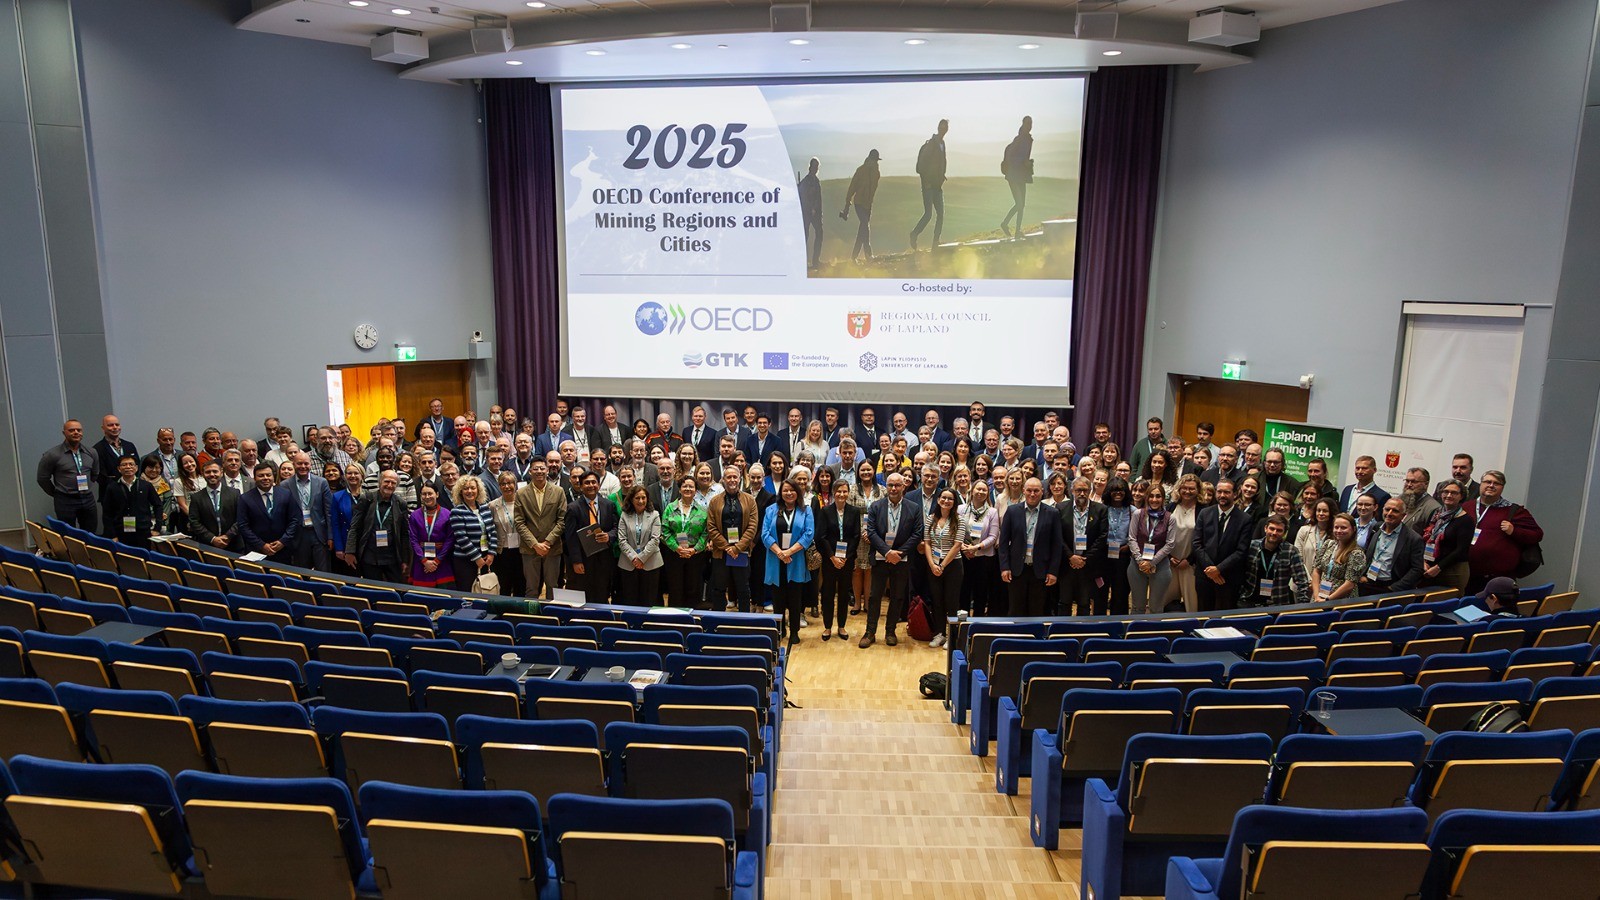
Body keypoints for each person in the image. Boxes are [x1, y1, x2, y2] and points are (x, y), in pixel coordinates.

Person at [862, 472, 921, 647]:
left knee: (897, 597)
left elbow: (917, 534)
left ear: (904, 486)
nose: (894, 488)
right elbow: (871, 531)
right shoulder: (875, 506)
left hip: (901, 560)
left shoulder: (914, 508)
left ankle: (890, 631)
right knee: (874, 597)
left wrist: (899, 554)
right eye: (890, 485)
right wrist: (888, 552)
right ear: (885, 487)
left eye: (897, 485)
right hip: (881, 558)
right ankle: (870, 632)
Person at [1466, 469, 1543, 592]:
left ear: (1502, 487)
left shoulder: (1514, 511)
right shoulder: (1466, 507)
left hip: (1499, 579)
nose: (1491, 485)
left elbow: (1537, 534)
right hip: (1467, 575)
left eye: (1496, 483)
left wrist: (1514, 531)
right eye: (1487, 482)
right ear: (1481, 484)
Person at [998, 476, 1062, 617]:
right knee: (1015, 610)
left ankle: (1035, 639)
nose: (1032, 494)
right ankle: (1015, 637)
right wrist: (1005, 567)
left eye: (1036, 491)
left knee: (1037, 611)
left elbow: (1057, 546)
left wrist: (1053, 571)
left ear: (1042, 492)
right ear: (1023, 491)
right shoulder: (1012, 511)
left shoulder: (1052, 513)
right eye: (1029, 491)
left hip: (1041, 570)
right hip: (1016, 570)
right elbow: (1003, 543)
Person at [762, 478, 814, 643]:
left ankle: (794, 632)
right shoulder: (771, 510)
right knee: (777, 599)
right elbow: (765, 534)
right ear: (781, 492)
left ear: (797, 492)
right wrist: (779, 552)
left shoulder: (806, 510)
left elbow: (809, 534)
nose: (789, 493)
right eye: (785, 490)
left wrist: (789, 552)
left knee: (795, 598)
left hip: (795, 559)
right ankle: (780, 630)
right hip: (776, 559)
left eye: (792, 490)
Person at [1192, 479, 1253, 612]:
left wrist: (1219, 569)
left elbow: (1241, 551)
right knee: (1203, 615)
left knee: (1224, 619)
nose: (1222, 495)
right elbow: (1197, 543)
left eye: (1227, 492)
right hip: (1205, 576)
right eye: (1219, 492)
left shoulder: (1245, 519)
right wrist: (1211, 570)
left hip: (1228, 578)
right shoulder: (1205, 513)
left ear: (1235, 494)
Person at [564, 467, 620, 603]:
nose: (591, 486)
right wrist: (576, 561)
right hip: (583, 559)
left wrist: (609, 536)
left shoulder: (608, 505)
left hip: (603, 558)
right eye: (587, 483)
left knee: (602, 593)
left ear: (599, 485)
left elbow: (616, 528)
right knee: (583, 594)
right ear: (581, 486)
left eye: (594, 482)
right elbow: (570, 538)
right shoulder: (573, 508)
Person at [514, 458, 567, 600]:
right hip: (530, 548)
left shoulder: (558, 491)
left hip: (552, 548)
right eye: (535, 469)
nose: (539, 471)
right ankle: (532, 618)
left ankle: (551, 617)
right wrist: (535, 544)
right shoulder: (521, 493)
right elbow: (519, 522)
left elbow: (561, 521)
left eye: (542, 468)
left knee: (553, 586)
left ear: (547, 470)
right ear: (530, 471)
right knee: (531, 588)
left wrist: (547, 542)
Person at [707, 466, 757, 612]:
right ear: (723, 480)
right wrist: (727, 547)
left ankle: (744, 623)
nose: (732, 480)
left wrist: (736, 548)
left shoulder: (750, 500)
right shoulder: (715, 501)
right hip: (720, 552)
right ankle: (717, 622)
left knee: (743, 589)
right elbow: (711, 527)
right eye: (728, 477)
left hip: (740, 551)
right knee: (719, 588)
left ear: (740, 478)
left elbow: (752, 527)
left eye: (735, 477)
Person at [346, 469, 411, 583]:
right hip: (369, 556)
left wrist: (405, 560)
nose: (389, 485)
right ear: (380, 482)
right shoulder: (366, 499)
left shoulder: (401, 504)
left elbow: (404, 534)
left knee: (395, 590)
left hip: (392, 558)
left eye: (393, 483)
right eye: (386, 481)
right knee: (372, 590)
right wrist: (350, 551)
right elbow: (354, 527)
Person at [922, 487, 967, 647]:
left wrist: (941, 566)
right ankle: (939, 634)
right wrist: (932, 565)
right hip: (933, 563)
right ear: (939, 499)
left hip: (952, 565)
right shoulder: (931, 518)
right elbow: (927, 542)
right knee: (937, 600)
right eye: (944, 498)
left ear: (954, 502)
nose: (946, 501)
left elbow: (957, 546)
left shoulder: (960, 520)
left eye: (950, 499)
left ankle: (952, 637)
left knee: (952, 601)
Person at [37, 419, 100, 531]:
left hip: (87, 498)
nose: (76, 432)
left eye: (79, 430)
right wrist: (57, 493)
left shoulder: (91, 452)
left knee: (90, 531)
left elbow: (95, 474)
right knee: (68, 534)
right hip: (65, 499)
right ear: (64, 433)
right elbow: (42, 478)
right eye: (71, 430)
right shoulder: (52, 454)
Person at [816, 479, 859, 641]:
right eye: (839, 491)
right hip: (830, 560)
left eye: (844, 491)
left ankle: (841, 626)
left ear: (848, 493)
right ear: (834, 493)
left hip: (846, 560)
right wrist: (832, 557)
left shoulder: (854, 512)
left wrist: (847, 557)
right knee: (827, 594)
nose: (842, 494)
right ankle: (827, 626)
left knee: (843, 594)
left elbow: (856, 536)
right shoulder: (825, 511)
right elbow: (821, 536)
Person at [1239, 514, 1312, 607]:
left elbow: (1302, 581)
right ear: (1265, 528)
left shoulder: (1291, 551)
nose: (1274, 533)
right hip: (1249, 601)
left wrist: (1303, 605)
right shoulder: (1251, 546)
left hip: (1277, 604)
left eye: (1279, 530)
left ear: (1285, 533)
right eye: (1272, 528)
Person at [1058, 476, 1106, 616]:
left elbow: (1102, 537)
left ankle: (1082, 633)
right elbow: (1058, 536)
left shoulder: (1100, 509)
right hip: (1067, 564)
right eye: (1079, 490)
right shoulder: (1061, 508)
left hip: (1088, 564)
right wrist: (1070, 556)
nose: (1082, 494)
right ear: (1072, 490)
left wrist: (1084, 559)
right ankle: (1062, 634)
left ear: (1090, 491)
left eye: (1085, 490)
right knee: (1064, 602)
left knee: (1084, 602)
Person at [1126, 481, 1175, 614]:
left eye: (1158, 496)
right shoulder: (1138, 514)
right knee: (1137, 606)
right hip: (1137, 564)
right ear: (1146, 498)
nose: (1154, 499)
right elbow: (1132, 538)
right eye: (1151, 496)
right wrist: (1140, 561)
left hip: (1160, 565)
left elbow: (1170, 544)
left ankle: (1154, 633)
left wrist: (1152, 562)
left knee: (1156, 607)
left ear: (1163, 499)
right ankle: (1134, 634)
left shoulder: (1170, 518)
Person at [1360, 497, 1425, 596]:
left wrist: (1393, 588)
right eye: (1387, 509)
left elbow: (1417, 569)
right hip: (1368, 583)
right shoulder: (1376, 528)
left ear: (1403, 515)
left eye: (1395, 511)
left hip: (1390, 587)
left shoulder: (1413, 539)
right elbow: (1367, 553)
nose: (1389, 514)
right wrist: (1363, 575)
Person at [237, 461, 300, 562]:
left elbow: (295, 519)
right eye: (261, 475)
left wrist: (283, 541)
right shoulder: (245, 498)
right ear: (254, 478)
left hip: (284, 550)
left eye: (268, 475)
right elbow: (243, 526)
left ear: (273, 476)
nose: (265, 478)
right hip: (257, 552)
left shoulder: (286, 494)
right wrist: (261, 545)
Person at [662, 476, 709, 608]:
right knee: (675, 587)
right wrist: (677, 548)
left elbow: (706, 533)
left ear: (695, 491)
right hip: (674, 553)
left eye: (691, 486)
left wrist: (694, 550)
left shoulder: (702, 510)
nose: (688, 489)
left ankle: (692, 618)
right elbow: (664, 530)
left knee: (693, 587)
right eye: (685, 486)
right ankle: (675, 617)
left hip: (695, 554)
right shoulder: (670, 508)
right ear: (680, 489)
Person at [614, 484, 663, 605]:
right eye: (637, 498)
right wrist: (634, 558)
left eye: (643, 497)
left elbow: (655, 539)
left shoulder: (655, 515)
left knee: (649, 599)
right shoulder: (624, 515)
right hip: (628, 563)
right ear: (631, 499)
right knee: (630, 599)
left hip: (651, 562)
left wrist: (641, 558)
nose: (641, 501)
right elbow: (622, 540)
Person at [1422, 480, 1473, 590]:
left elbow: (1461, 550)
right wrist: (1423, 561)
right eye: (1446, 491)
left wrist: (1438, 567)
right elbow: (1426, 537)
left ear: (1462, 496)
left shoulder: (1466, 520)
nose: (1449, 495)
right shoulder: (1436, 514)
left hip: (1453, 572)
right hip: (1429, 567)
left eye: (1454, 493)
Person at [959, 479, 1000, 616]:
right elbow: (955, 531)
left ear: (988, 493)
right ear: (972, 491)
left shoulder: (992, 512)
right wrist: (965, 548)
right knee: (963, 592)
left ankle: (977, 624)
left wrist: (976, 548)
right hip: (964, 556)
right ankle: (961, 627)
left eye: (984, 490)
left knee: (980, 594)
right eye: (978, 489)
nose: (981, 492)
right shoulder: (961, 509)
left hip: (983, 558)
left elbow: (993, 537)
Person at [286, 452, 332, 571]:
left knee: (323, 572)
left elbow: (328, 511)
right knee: (302, 571)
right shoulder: (285, 485)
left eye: (306, 463)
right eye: (299, 463)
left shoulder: (322, 482)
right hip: (298, 534)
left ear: (311, 464)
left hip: (319, 533)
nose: (303, 466)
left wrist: (330, 536)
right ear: (293, 464)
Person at [100, 454, 159, 548]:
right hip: (121, 531)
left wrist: (157, 528)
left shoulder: (146, 486)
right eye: (124, 464)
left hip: (143, 531)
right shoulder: (112, 487)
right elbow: (107, 513)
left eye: (131, 464)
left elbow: (158, 505)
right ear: (119, 469)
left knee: (143, 558)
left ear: (136, 468)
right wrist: (112, 535)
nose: (128, 467)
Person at [909, 118, 948, 251]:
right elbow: (922, 166)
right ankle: (914, 234)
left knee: (940, 214)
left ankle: (935, 243)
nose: (944, 130)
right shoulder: (932, 144)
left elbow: (940, 163)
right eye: (942, 127)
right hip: (929, 185)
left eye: (945, 128)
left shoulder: (942, 143)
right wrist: (926, 182)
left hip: (937, 185)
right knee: (929, 214)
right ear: (938, 128)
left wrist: (941, 176)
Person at [1164, 475, 1201, 613]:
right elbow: (1162, 534)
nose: (1187, 491)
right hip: (1170, 562)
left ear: (1198, 490)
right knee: (1166, 602)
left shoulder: (1203, 510)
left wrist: (1189, 560)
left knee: (1192, 605)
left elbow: (1204, 540)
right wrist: (1169, 557)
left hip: (1190, 564)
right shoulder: (1171, 507)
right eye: (1184, 488)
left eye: (1191, 488)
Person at [1097, 478, 1133, 616]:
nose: (1118, 493)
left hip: (1123, 556)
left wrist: (1128, 546)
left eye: (1121, 490)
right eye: (1114, 490)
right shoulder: (1101, 509)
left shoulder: (1132, 511)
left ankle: (1118, 623)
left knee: (1120, 592)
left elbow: (1137, 533)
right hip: (1104, 555)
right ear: (1109, 492)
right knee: (1101, 590)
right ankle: (1098, 623)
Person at [409, 483, 455, 589]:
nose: (427, 497)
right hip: (421, 561)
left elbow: (450, 539)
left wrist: (437, 560)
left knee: (444, 597)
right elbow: (413, 539)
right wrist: (424, 561)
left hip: (442, 561)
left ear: (437, 494)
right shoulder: (414, 515)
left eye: (430, 493)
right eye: (424, 494)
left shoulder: (447, 514)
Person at [1313, 513, 1367, 601]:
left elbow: (1349, 584)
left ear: (1353, 529)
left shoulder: (1356, 554)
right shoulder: (1328, 544)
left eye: (1343, 528)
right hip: (1319, 596)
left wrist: (1327, 600)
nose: (1339, 530)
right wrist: (1316, 596)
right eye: (1336, 527)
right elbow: (1316, 570)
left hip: (1341, 600)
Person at [187, 460, 239, 550]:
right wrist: (212, 539)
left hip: (233, 543)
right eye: (208, 472)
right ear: (203, 474)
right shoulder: (196, 497)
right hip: (207, 545)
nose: (211, 474)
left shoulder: (234, 493)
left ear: (221, 473)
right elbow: (194, 521)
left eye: (215, 471)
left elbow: (241, 518)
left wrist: (228, 536)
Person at [487, 471, 524, 597]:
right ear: (499, 486)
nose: (507, 486)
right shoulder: (492, 505)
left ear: (515, 484)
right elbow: (489, 530)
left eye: (510, 483)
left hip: (521, 550)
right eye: (503, 484)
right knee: (504, 585)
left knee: (520, 584)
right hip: (502, 552)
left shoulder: (523, 502)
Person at [840, 149, 881, 262]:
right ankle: (868, 255)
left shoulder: (874, 172)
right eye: (875, 160)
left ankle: (854, 257)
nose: (876, 163)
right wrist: (847, 204)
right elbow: (852, 188)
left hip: (867, 204)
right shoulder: (864, 171)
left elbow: (854, 188)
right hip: (859, 203)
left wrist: (847, 205)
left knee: (862, 229)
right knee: (865, 226)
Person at [999, 115, 1033, 239]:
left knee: (1021, 204)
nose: (1030, 126)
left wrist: (1027, 163)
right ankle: (1005, 224)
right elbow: (1010, 157)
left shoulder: (1028, 139)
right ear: (1023, 124)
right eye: (1028, 124)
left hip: (1021, 175)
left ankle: (1017, 230)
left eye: (1031, 124)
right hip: (1013, 175)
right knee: (1019, 203)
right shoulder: (1019, 139)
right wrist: (1023, 162)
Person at [328, 463, 361, 576]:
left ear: (362, 475)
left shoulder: (369, 495)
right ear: (345, 476)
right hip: (346, 544)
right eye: (349, 473)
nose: (353, 476)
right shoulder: (337, 497)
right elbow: (335, 524)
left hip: (365, 546)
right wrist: (339, 548)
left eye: (356, 473)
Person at [1294, 496, 1338, 579]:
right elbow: (1298, 558)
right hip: (1302, 579)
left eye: (1325, 511)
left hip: (1324, 583)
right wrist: (1310, 580)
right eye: (1318, 510)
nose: (1321, 513)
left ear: (1331, 513)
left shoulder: (1336, 534)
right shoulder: (1304, 530)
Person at [1399, 467, 1442, 533]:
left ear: (1426, 484)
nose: (1409, 485)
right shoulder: (1399, 500)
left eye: (1414, 482)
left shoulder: (1433, 508)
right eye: (1407, 481)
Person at [798, 157, 823, 267]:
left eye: (817, 167)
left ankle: (815, 261)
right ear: (811, 167)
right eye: (815, 166)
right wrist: (810, 209)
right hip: (808, 213)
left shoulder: (814, 181)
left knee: (817, 234)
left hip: (814, 213)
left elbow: (818, 199)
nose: (816, 169)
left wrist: (818, 212)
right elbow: (804, 197)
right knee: (805, 236)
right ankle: (805, 262)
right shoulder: (807, 181)